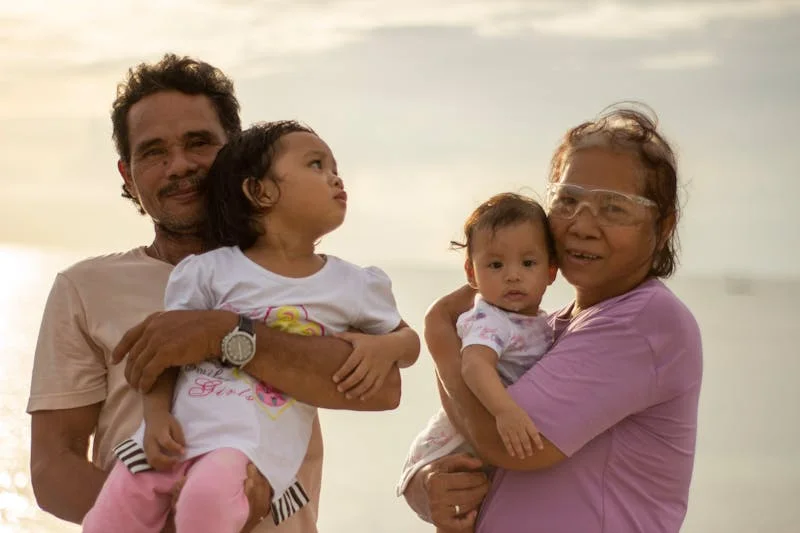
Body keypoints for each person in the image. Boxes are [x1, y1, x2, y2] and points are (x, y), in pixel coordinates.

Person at [27, 54, 414, 533]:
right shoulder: (84, 289)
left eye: (199, 143)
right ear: (128, 174)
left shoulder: (313, 280)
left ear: (236, 154)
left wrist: (226, 333)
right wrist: (183, 521)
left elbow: (383, 390)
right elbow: (53, 468)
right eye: (153, 152)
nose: (179, 165)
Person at [400, 106, 703, 533]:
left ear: (663, 225)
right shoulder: (549, 328)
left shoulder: (643, 322)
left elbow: (508, 445)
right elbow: (468, 441)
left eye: (613, 208)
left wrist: (440, 337)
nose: (582, 225)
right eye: (568, 200)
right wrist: (430, 484)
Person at [396, 193, 557, 499]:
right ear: (472, 273)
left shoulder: (537, 322)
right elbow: (474, 365)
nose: (512, 275)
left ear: (551, 271)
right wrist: (505, 411)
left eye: (528, 263)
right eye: (495, 265)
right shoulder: (490, 319)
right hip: (454, 448)